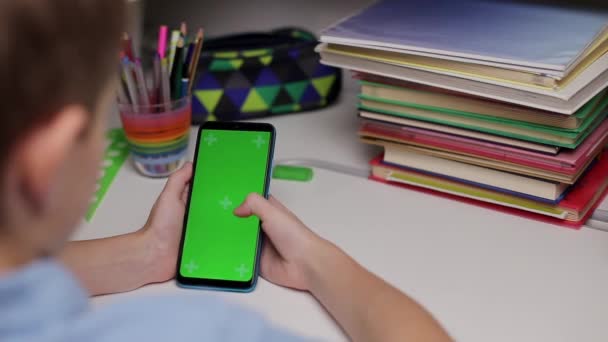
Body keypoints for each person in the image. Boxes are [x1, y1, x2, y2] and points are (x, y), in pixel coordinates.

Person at [0, 1, 452, 341]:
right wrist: (317, 264)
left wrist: (145, 253)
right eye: (103, 121)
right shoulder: (192, 329)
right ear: (50, 160)